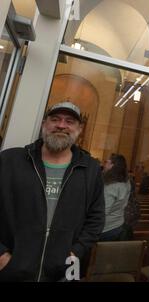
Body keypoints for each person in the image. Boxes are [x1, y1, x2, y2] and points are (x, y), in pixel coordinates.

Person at [0, 101, 105, 281]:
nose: (61, 125)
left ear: (79, 129)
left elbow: (96, 218)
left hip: (61, 273)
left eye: (69, 121)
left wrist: (76, 252)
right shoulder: (10, 160)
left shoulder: (91, 169)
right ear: (44, 124)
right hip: (10, 271)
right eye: (55, 119)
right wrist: (1, 254)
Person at [99, 153, 131, 241]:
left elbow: (102, 212)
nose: (103, 165)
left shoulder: (111, 186)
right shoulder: (126, 182)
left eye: (106, 162)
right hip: (118, 224)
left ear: (112, 165)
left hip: (106, 229)